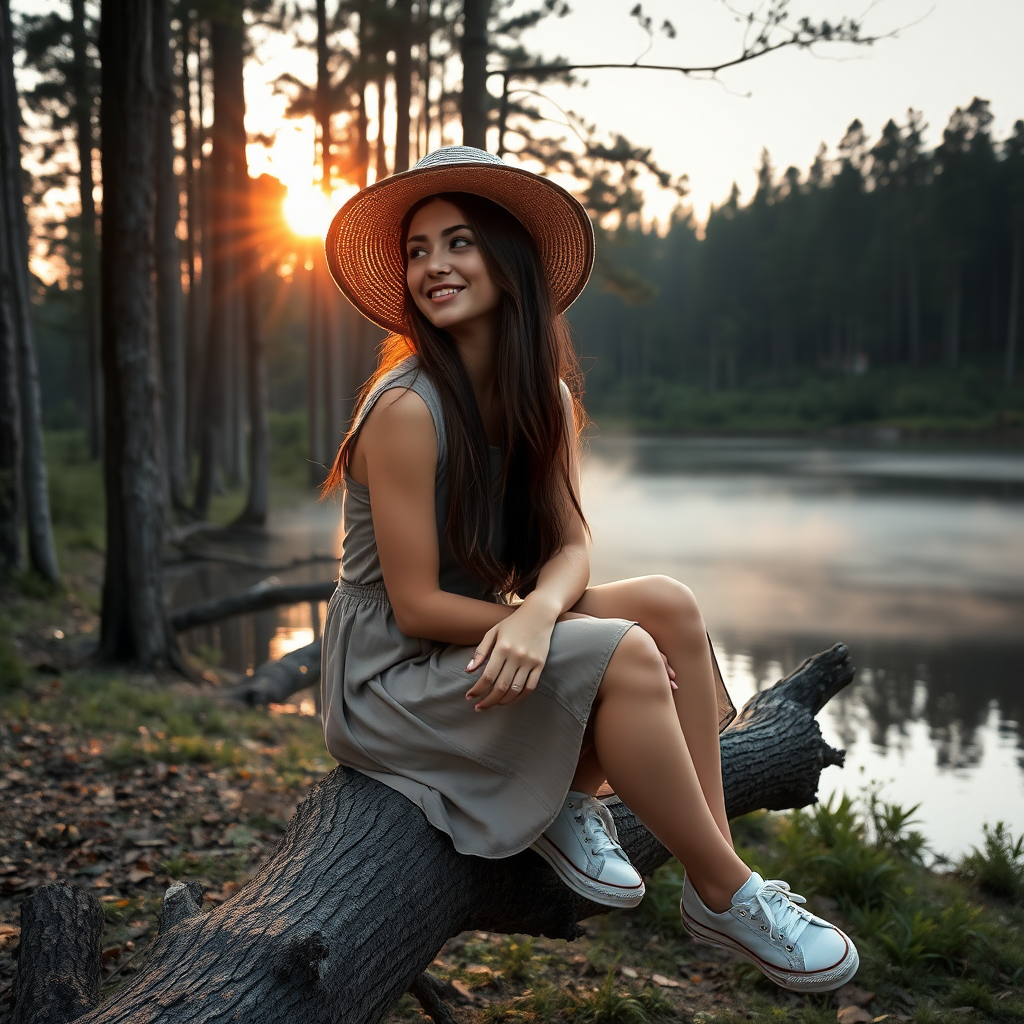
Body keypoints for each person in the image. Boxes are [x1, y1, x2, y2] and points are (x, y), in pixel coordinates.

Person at [319, 146, 858, 993]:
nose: (434, 266)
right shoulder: (405, 410)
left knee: (668, 607)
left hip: (489, 629)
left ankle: (705, 869)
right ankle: (725, 885)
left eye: (458, 243)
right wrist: (530, 620)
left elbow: (571, 545)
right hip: (389, 673)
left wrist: (538, 613)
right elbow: (418, 606)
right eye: (417, 251)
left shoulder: (547, 396)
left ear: (509, 260)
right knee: (625, 649)